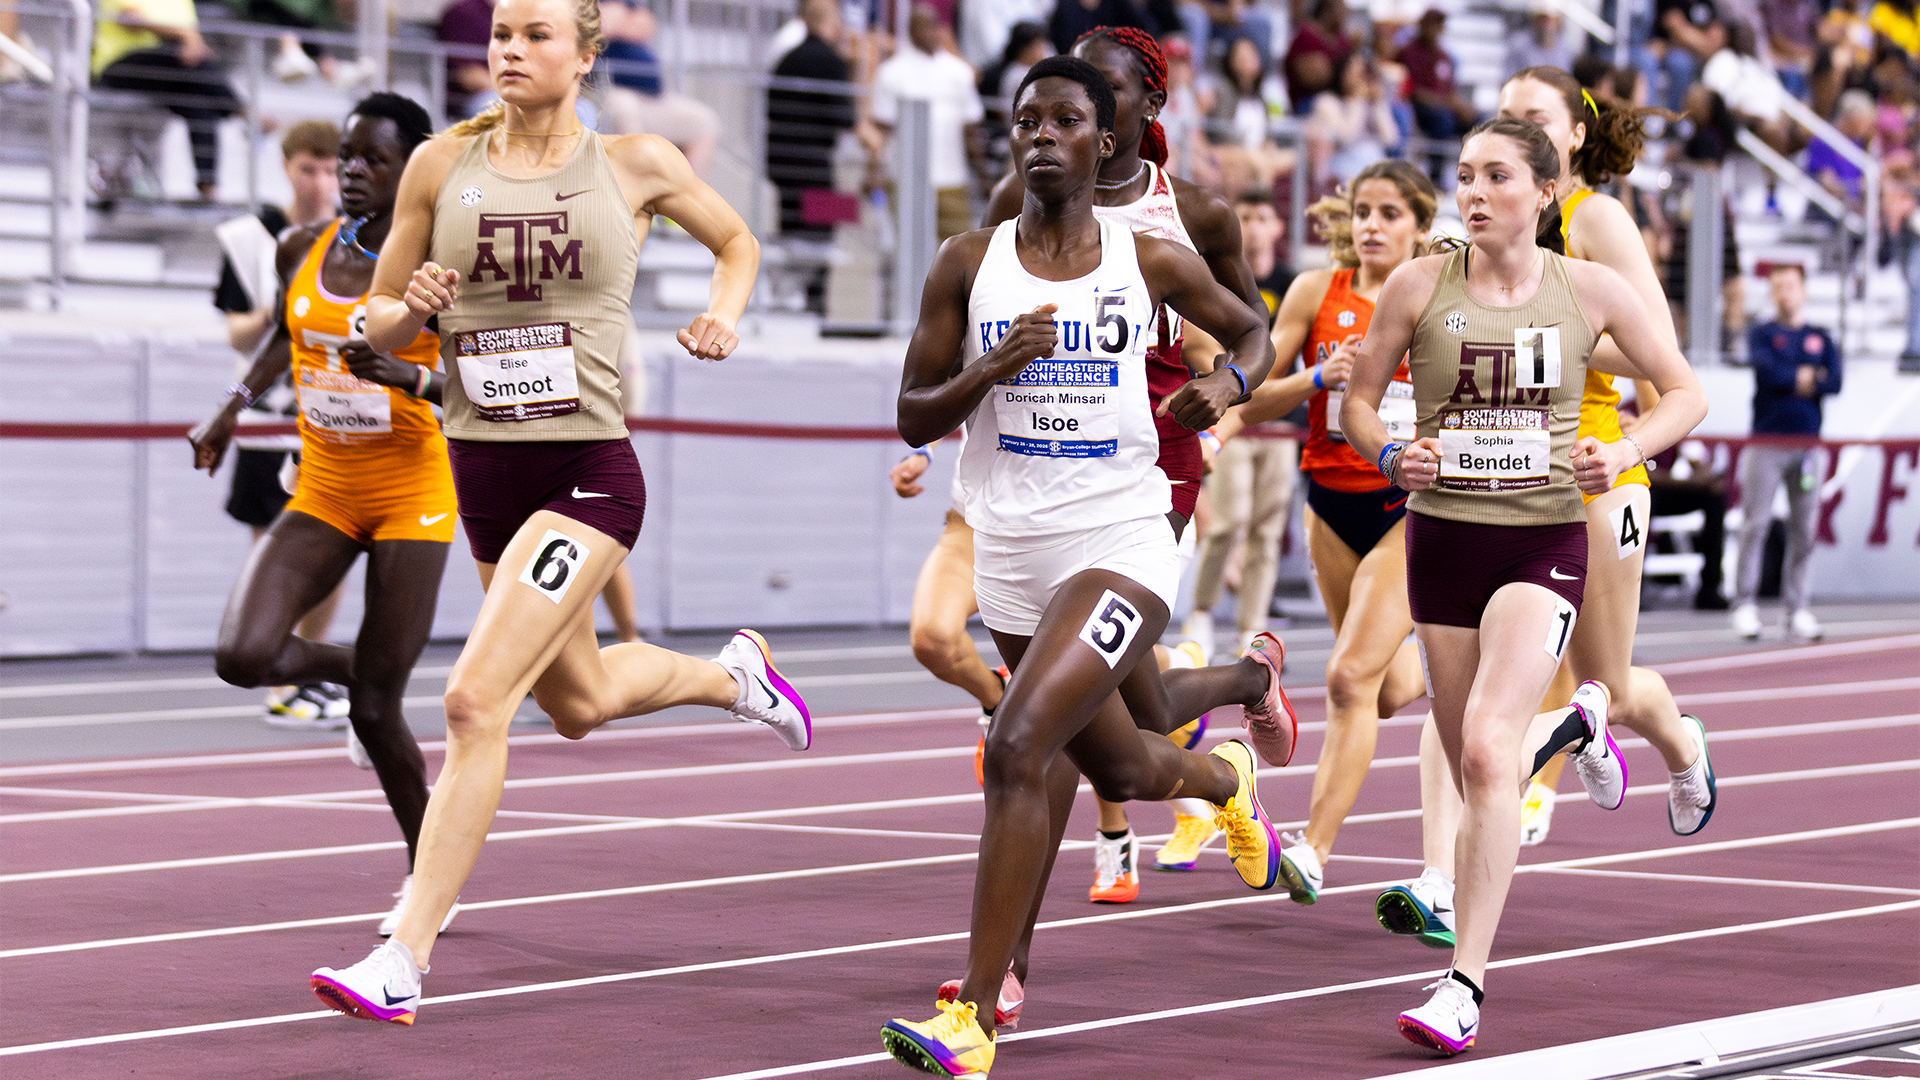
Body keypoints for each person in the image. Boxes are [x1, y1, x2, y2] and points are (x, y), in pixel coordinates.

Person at [306, 0, 810, 1026]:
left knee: (473, 701)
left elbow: (741, 241)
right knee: (575, 705)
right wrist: (416, 310)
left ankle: (403, 956)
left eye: (535, 35)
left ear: (585, 56)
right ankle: (732, 674)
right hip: (482, 472)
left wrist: (722, 314)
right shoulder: (440, 167)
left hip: (586, 471)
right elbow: (377, 318)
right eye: (499, 34)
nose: (509, 51)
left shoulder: (634, 162)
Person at [880, 56, 1287, 1076]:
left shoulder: (1149, 256)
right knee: (1125, 761)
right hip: (1012, 542)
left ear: (1106, 142)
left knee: (1019, 743)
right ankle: (1223, 772)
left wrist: (1228, 384)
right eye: (1028, 121)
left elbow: (1253, 327)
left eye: (1066, 121)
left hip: (1123, 533)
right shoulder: (965, 263)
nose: (1043, 136)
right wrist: (989, 369)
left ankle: (974, 1014)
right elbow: (913, 412)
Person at [1341, 117, 1708, 1055]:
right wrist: (1393, 452)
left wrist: (1622, 449)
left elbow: (1685, 390)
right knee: (1474, 756)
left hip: (1540, 542)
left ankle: (1462, 984)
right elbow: (1352, 401)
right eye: (1463, 175)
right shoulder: (1419, 284)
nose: (1472, 192)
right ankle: (1577, 726)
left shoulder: (1587, 288)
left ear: (1544, 192)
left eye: (1495, 176)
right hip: (1441, 542)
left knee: (1486, 753)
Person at [982, 25, 1283, 908]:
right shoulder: (1019, 195)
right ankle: (1245, 698)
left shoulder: (1191, 214)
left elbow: (1249, 327)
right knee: (1140, 712)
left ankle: (1009, 963)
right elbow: (978, 305)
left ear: (1135, 113)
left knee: (1052, 719)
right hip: (1035, 451)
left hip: (1153, 456)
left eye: (1096, 96)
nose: (1070, 115)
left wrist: (1225, 384)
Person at [188, 93, 454, 937]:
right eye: (346, 156)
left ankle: (429, 878)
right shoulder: (301, 246)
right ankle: (356, 664)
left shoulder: (436, 269)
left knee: (379, 714)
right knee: (242, 655)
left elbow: (479, 389)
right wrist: (230, 407)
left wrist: (404, 375)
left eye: (374, 159)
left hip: (413, 487)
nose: (351, 171)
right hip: (325, 486)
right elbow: (281, 336)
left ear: (412, 170)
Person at [1208, 160, 1437, 906]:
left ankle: (1315, 847)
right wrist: (1311, 382)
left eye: (1390, 214)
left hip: (1408, 507)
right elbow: (1256, 390)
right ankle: (1432, 666)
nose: (1372, 225)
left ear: (1419, 227)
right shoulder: (1318, 291)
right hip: (1330, 502)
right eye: (1363, 211)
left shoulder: (1443, 293)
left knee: (1345, 679)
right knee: (1377, 687)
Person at [211, 119, 350, 726]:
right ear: (287, 166)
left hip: (335, 412)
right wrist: (284, 304)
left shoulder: (359, 234)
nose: (321, 182)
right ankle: (275, 668)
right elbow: (237, 329)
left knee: (338, 549)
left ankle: (307, 673)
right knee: (272, 552)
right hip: (272, 417)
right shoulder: (249, 237)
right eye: (308, 169)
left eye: (330, 170)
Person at [1188, 188, 1303, 658]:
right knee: (1227, 524)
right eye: (1246, 216)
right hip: (1230, 420)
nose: (1255, 225)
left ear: (1277, 227)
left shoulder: (1293, 282)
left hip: (1279, 424)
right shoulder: (1218, 282)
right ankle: (1200, 612)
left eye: (1263, 216)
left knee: (1267, 531)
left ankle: (1250, 630)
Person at [1730, 262, 1841, 642]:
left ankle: (1798, 608)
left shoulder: (1821, 337)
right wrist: (1806, 376)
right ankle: (1745, 602)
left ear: (1804, 290)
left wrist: (1797, 376)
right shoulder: (1763, 334)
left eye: (1791, 285)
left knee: (1804, 529)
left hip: (1808, 445)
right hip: (1766, 442)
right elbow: (1768, 373)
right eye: (1777, 286)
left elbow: (1835, 380)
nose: (1785, 293)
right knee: (1755, 524)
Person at [91, 0, 243, 199]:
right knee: (175, 54)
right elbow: (131, 21)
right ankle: (240, 109)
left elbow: (190, 41)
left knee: (200, 104)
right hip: (120, 68)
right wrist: (184, 36)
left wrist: (192, 42)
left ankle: (208, 188)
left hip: (169, 74)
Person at [873, 3, 986, 241]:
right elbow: (881, 130)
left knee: (960, 244)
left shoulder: (959, 73)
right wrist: (874, 171)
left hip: (951, 177)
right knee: (909, 247)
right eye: (922, 27)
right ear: (911, 30)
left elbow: (970, 129)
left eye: (933, 26)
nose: (929, 33)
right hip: (905, 178)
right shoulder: (892, 72)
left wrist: (983, 175)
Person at [767, 0, 858, 239]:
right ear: (831, 25)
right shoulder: (831, 61)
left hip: (780, 160)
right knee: (824, 230)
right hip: (813, 166)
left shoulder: (787, 60)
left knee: (792, 230)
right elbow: (845, 118)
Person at [600, 0, 722, 176]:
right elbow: (597, 28)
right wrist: (618, 19)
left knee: (704, 122)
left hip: (652, 96)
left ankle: (680, 194)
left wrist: (615, 18)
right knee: (625, 111)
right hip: (607, 90)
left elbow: (647, 26)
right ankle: (637, 192)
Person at [1308, 49, 1401, 188]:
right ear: (1342, 72)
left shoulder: (1370, 103)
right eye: (1354, 70)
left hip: (1374, 167)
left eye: (1362, 72)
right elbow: (1345, 137)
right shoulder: (1327, 102)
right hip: (1342, 169)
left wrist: (1378, 105)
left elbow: (1391, 139)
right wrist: (1356, 100)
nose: (1359, 77)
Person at [1400, 9, 1479, 138]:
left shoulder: (1444, 56)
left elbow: (1451, 89)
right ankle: (1435, 158)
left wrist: (1463, 106)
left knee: (1477, 119)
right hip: (1420, 108)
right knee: (1444, 121)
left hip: (1444, 106)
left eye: (1439, 25)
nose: (1436, 29)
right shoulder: (1410, 53)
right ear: (1422, 26)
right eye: (1432, 24)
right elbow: (1414, 93)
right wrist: (1449, 105)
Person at [1285, 0, 1354, 113]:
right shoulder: (1307, 35)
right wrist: (1343, 74)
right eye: (1341, 9)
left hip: (1339, 100)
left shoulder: (1343, 40)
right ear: (1328, 10)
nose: (1345, 14)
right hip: (1307, 101)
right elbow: (1316, 77)